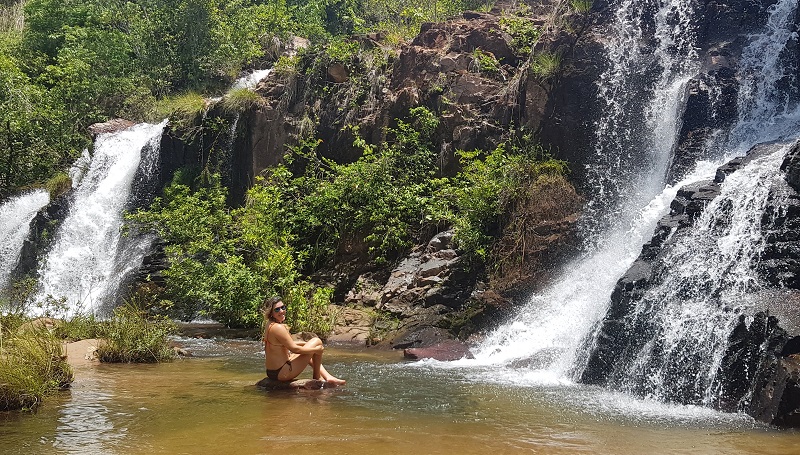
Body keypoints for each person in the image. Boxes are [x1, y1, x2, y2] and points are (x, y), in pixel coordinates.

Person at [262, 296, 346, 386]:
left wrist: (306, 344)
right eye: (277, 309)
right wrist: (316, 350)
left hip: (273, 372)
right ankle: (317, 378)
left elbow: (287, 344)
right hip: (282, 373)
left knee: (313, 344)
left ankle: (327, 376)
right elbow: (295, 349)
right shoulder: (278, 328)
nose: (282, 311)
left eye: (283, 307)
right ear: (271, 313)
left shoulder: (270, 324)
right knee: (317, 341)